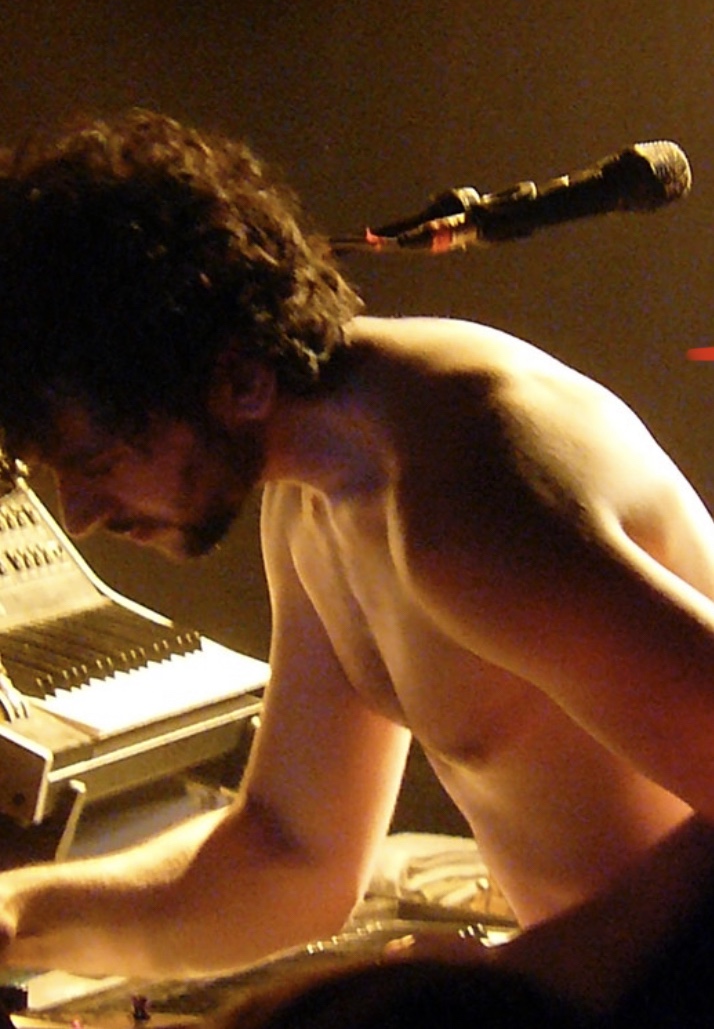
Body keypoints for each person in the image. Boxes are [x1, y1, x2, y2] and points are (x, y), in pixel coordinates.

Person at [0, 109, 713, 995]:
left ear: (240, 379)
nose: (78, 514)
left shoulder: (466, 499)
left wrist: (514, 982)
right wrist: (16, 913)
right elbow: (292, 857)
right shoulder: (312, 505)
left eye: (98, 461)